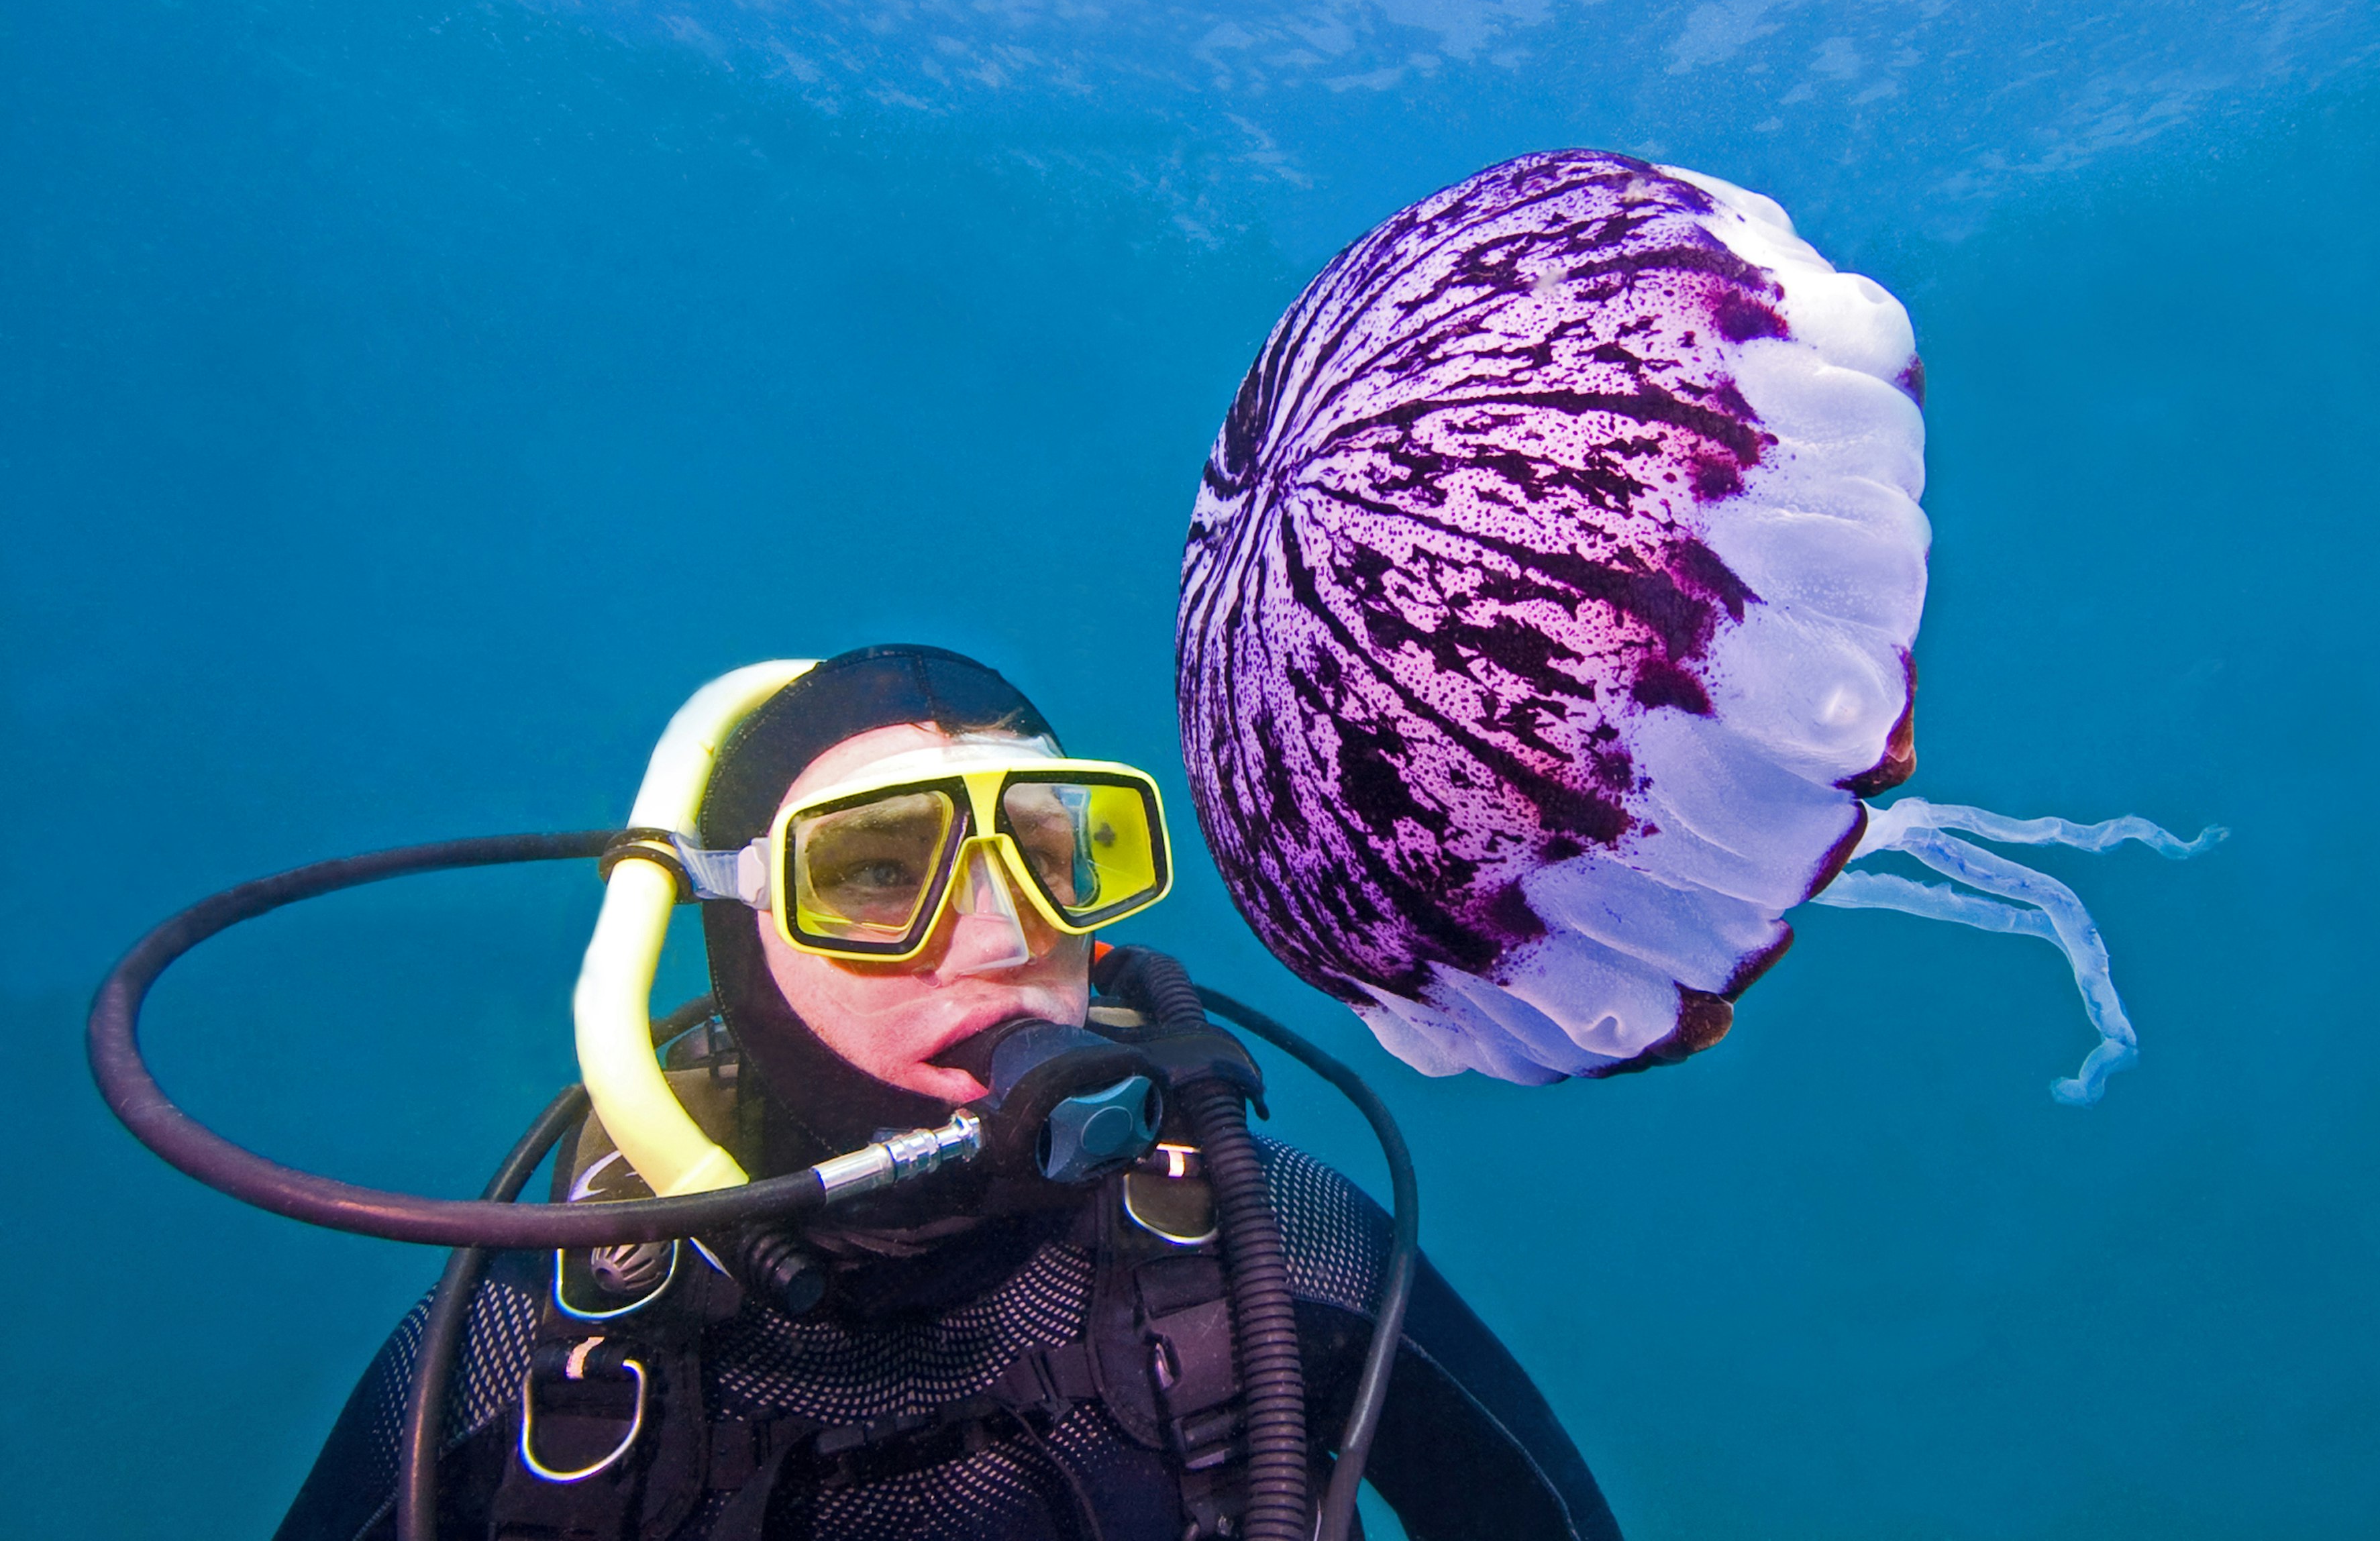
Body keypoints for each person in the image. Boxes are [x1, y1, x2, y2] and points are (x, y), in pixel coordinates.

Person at [275, 645, 1621, 1541]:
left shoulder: (1264, 1249)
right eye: (876, 873)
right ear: (743, 931)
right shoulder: (533, 1349)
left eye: (1052, 856)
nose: (998, 936)